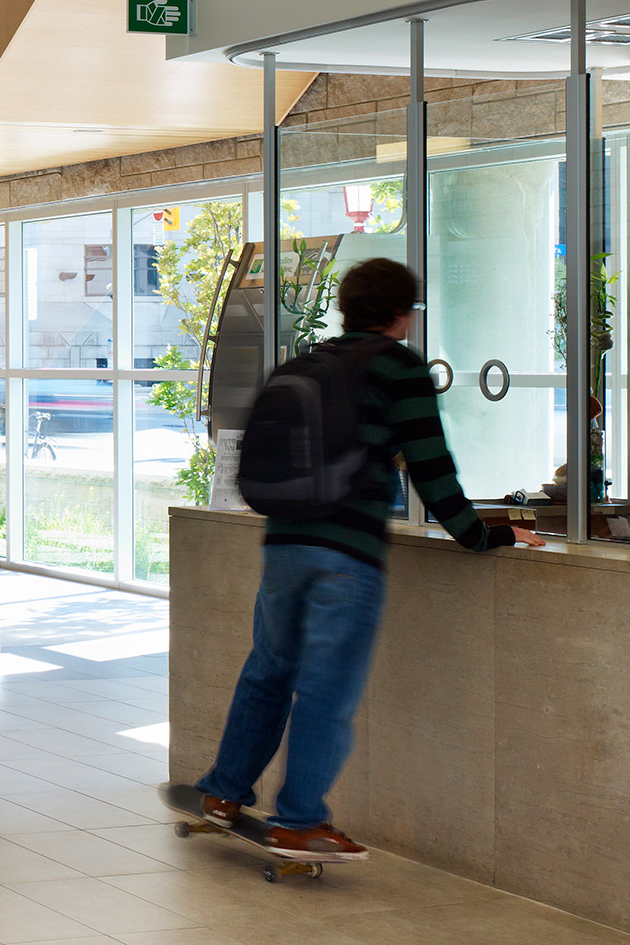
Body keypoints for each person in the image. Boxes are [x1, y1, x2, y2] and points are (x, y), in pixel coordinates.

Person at [195, 258, 545, 860]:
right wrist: (489, 536)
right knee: (326, 689)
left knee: (268, 672)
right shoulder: (398, 369)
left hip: (283, 544)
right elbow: (434, 473)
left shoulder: (307, 362)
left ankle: (224, 794)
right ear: (401, 315)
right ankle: (300, 820)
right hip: (346, 556)